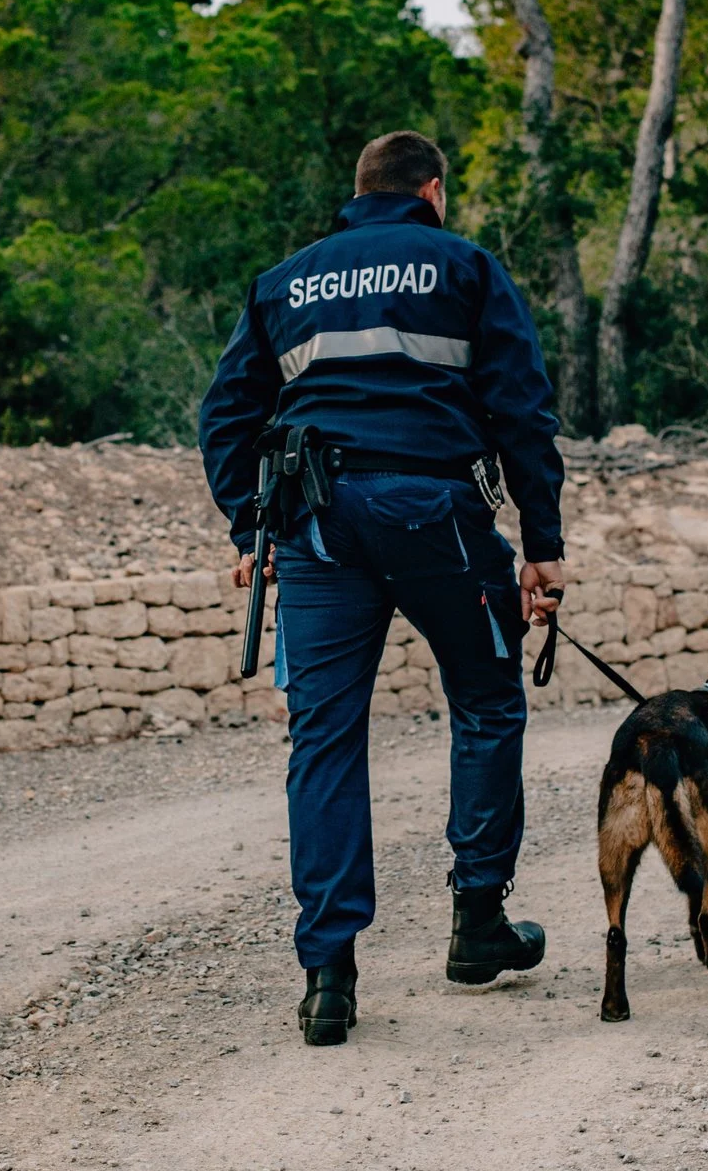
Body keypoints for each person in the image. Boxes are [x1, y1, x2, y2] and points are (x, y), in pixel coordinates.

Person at [198, 130, 568, 1047]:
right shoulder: (465, 266)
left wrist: (253, 528)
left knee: (323, 741)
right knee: (486, 704)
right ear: (432, 192)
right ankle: (478, 923)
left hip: (315, 523)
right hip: (435, 512)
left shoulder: (286, 279)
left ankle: (328, 979)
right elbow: (523, 409)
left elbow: (224, 416)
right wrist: (543, 545)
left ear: (357, 193)